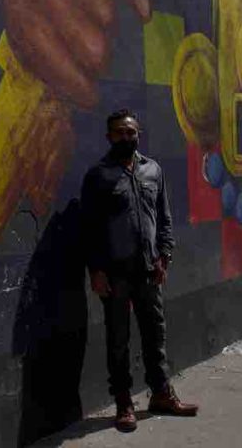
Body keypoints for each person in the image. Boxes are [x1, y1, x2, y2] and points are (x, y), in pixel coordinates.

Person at [80, 109, 199, 432]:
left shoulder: (153, 170)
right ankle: (124, 403)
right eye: (119, 132)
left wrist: (165, 256)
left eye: (130, 132)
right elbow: (89, 228)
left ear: (138, 135)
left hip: (148, 270)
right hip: (115, 274)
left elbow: (164, 216)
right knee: (118, 340)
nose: (126, 137)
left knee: (155, 335)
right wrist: (96, 271)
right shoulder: (99, 176)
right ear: (109, 137)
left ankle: (161, 394)